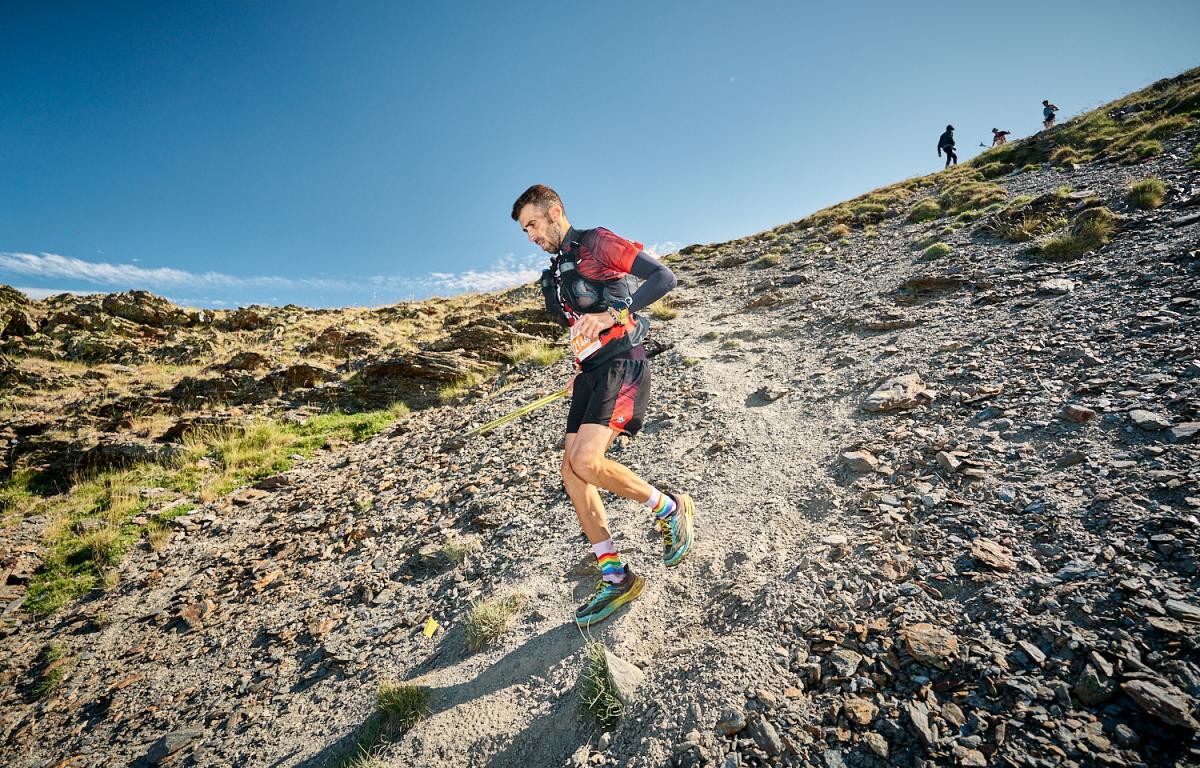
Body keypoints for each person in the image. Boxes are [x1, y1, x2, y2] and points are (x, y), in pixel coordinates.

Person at [511, 184, 695, 627]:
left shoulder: (596, 242)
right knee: (571, 473)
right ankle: (616, 577)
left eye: (533, 224)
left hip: (623, 363)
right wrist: (579, 366)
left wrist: (614, 314)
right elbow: (582, 323)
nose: (531, 236)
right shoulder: (557, 270)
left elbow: (663, 278)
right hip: (590, 373)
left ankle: (670, 508)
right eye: (525, 231)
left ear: (555, 211)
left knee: (587, 461)